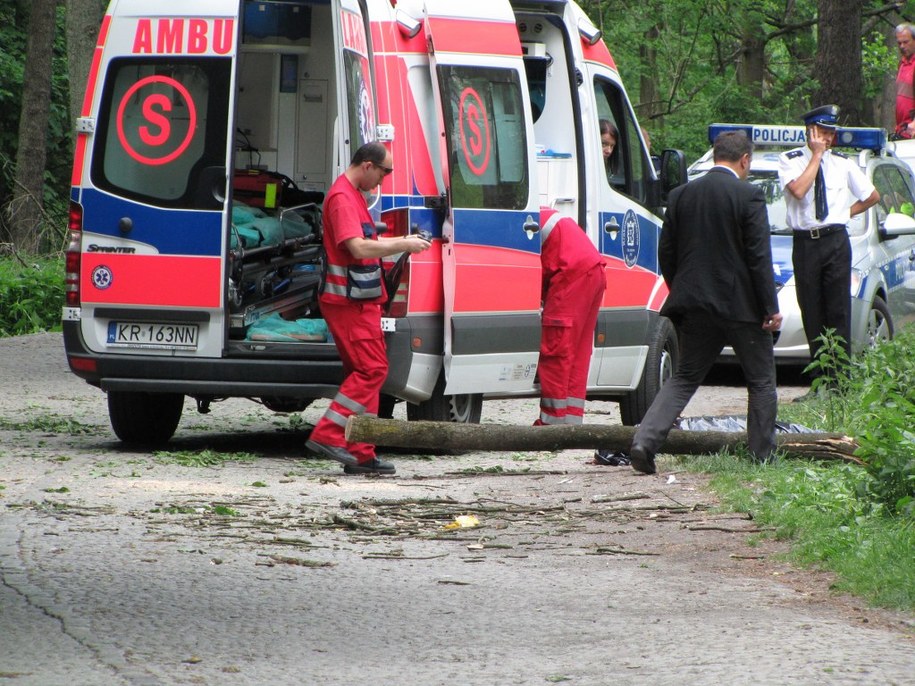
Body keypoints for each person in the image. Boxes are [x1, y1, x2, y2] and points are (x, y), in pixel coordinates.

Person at [627, 131, 783, 475]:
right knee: (760, 380)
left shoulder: (682, 195)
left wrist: (681, 288)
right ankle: (761, 457)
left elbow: (666, 251)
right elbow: (758, 257)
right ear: (745, 160)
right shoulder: (749, 195)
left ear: (715, 156)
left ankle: (644, 442)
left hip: (694, 303)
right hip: (742, 308)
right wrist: (770, 307)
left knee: (683, 379)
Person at [306, 141, 431, 475]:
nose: (382, 182)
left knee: (366, 375)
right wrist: (404, 243)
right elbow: (358, 248)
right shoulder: (343, 198)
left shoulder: (352, 195)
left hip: (358, 302)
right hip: (348, 304)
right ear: (366, 165)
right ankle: (329, 434)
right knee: (372, 370)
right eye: (383, 173)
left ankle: (362, 452)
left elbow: (364, 241)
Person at [777, 105, 879, 381]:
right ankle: (820, 378)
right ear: (810, 132)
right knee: (812, 310)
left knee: (838, 310)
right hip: (806, 243)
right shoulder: (791, 160)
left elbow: (872, 196)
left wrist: (842, 214)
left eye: (831, 133)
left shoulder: (843, 164)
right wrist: (816, 156)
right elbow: (798, 191)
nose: (828, 138)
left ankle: (840, 379)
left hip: (835, 241)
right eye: (822, 132)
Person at [534, 207, 605, 426]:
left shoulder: (520, 221)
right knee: (578, 352)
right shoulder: (541, 214)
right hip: (593, 270)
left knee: (557, 347)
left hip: (571, 273)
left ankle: (552, 425)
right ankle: (571, 423)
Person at [895, 23, 915, 140]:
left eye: (906, 42)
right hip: (902, 128)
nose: (902, 46)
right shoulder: (902, 63)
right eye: (899, 43)